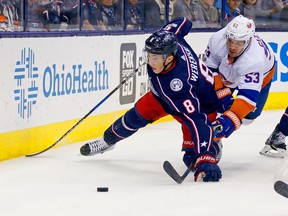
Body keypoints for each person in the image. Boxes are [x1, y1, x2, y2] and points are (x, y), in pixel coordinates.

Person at [80, 17, 222, 182]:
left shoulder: (179, 85)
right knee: (133, 118)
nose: (150, 61)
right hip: (162, 98)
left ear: (169, 58)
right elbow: (184, 21)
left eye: (155, 58)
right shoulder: (171, 39)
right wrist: (162, 35)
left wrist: (205, 157)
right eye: (149, 55)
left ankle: (213, 147)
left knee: (192, 158)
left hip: (201, 105)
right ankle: (107, 141)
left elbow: (197, 120)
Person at [204, 15, 276, 141]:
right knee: (212, 102)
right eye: (230, 40)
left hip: (264, 72)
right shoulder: (217, 39)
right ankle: (214, 143)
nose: (232, 46)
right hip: (228, 71)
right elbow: (209, 68)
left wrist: (227, 122)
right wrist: (222, 93)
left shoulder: (254, 60)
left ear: (248, 41)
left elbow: (247, 98)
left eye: (238, 43)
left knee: (249, 116)